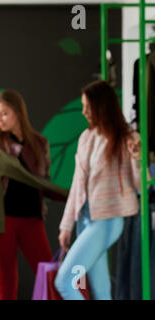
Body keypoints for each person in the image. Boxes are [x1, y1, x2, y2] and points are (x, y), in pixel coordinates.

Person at [55, 80, 142, 300]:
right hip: (85, 220)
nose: (83, 111)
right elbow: (77, 185)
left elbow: (141, 184)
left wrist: (137, 158)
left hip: (107, 222)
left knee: (64, 282)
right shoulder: (86, 138)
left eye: (88, 106)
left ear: (102, 106)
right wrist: (66, 225)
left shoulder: (128, 139)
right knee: (102, 292)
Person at [0, 89, 61, 300]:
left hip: (31, 219)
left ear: (18, 112)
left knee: (47, 275)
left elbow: (44, 183)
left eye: (4, 114)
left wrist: (70, 196)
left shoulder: (39, 143)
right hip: (1, 221)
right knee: (7, 280)